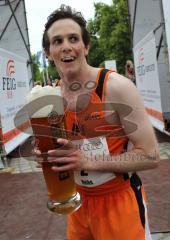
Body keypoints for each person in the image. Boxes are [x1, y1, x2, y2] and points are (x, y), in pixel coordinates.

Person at [36, 5, 159, 240]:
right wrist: (47, 153)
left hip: (119, 202)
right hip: (78, 204)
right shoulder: (50, 98)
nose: (66, 47)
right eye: (57, 41)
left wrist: (91, 161)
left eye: (73, 38)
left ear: (86, 46)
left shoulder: (116, 87)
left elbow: (151, 155)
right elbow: (63, 150)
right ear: (48, 52)